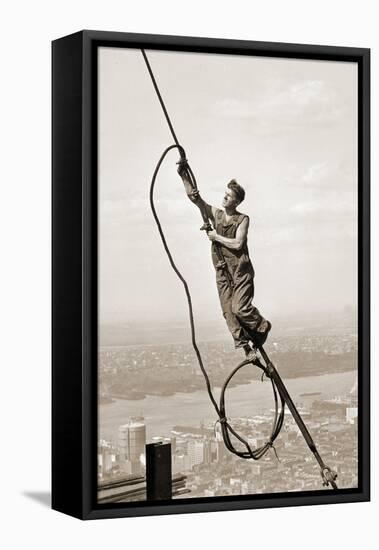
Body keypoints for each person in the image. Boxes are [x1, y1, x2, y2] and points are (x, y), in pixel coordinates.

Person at [178, 160, 271, 361]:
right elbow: (196, 200)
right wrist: (183, 174)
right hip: (222, 270)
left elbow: (238, 244)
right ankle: (246, 349)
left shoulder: (242, 219)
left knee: (240, 309)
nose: (224, 197)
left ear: (236, 202)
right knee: (229, 312)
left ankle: (262, 326)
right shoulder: (217, 215)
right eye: (225, 194)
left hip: (240, 271)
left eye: (228, 196)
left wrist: (215, 237)